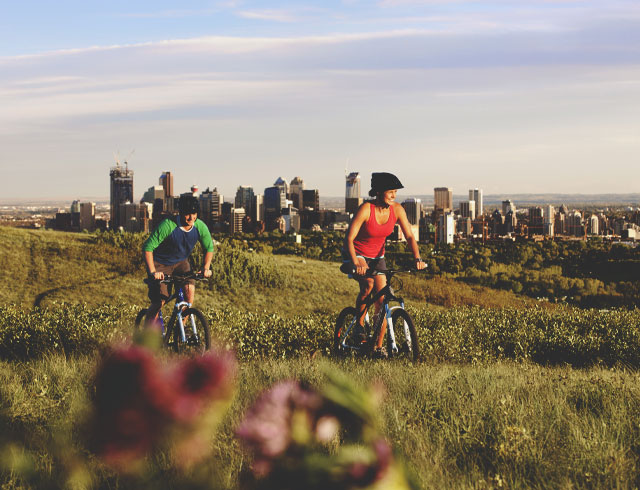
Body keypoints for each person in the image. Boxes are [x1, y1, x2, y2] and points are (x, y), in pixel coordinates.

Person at [343, 172, 426, 358]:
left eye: (395, 191)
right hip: (357, 253)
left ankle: (377, 348)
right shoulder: (366, 209)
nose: (394, 195)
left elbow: (410, 236)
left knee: (382, 301)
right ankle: (359, 326)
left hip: (378, 256)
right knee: (368, 285)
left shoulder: (397, 210)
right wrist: (356, 262)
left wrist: (417, 259)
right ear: (379, 192)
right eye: (390, 191)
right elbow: (349, 238)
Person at [142, 195, 214, 326]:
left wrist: (206, 267)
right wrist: (153, 272)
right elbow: (148, 248)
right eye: (187, 214)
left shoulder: (200, 226)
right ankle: (146, 337)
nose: (191, 217)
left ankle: (179, 331)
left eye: (194, 213)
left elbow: (209, 247)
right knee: (159, 301)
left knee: (189, 291)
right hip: (160, 263)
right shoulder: (168, 225)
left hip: (181, 262)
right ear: (180, 213)